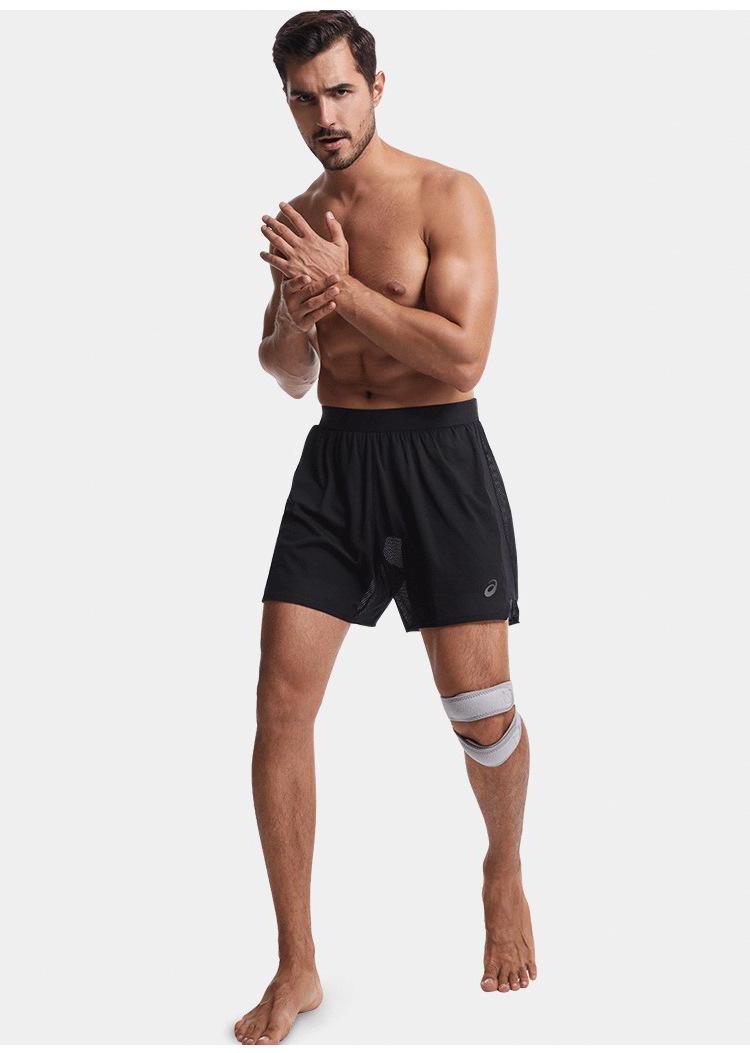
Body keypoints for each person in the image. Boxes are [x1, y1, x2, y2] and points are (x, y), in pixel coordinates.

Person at [235, 10, 536, 1046]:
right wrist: (294, 309)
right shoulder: (299, 216)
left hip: (440, 458)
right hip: (337, 464)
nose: (323, 115)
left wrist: (340, 287)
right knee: (279, 704)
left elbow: (461, 357)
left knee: (482, 711)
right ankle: (297, 962)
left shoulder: (450, 195)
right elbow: (286, 375)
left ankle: (502, 867)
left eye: (339, 91)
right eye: (303, 98)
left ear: (376, 86)